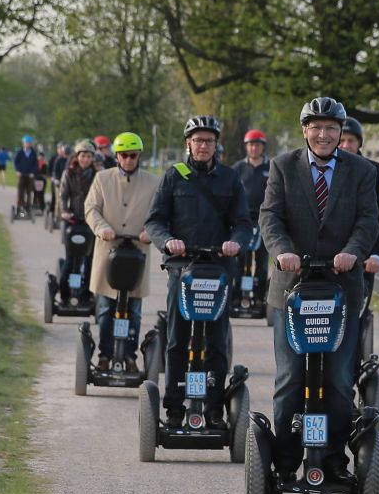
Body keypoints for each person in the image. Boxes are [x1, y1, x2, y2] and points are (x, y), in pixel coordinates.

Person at [258, 97, 379, 486]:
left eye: (331, 128)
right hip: (292, 288)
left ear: (341, 132)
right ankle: (286, 461)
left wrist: (353, 252)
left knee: (340, 382)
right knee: (291, 379)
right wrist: (282, 252)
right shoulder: (283, 166)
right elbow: (270, 216)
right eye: (316, 127)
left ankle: (332, 462)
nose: (324, 134)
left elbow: (368, 220)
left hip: (341, 289)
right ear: (304, 130)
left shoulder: (361, 170)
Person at [145, 115, 252, 429]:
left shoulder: (230, 179)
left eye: (209, 140)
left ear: (216, 145)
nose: (203, 145)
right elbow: (154, 221)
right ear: (188, 143)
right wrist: (168, 242)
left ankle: (215, 410)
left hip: (218, 269)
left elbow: (244, 223)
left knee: (217, 342)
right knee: (178, 339)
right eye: (197, 140)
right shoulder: (174, 176)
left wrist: (235, 243)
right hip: (182, 268)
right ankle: (175, 410)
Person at [85, 132, 159, 372]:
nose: (128, 160)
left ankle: (129, 358)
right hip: (108, 251)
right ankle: (105, 355)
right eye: (124, 155)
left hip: (138, 252)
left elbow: (160, 214)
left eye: (133, 155)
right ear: (117, 156)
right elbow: (91, 209)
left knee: (134, 311)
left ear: (139, 156)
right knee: (106, 308)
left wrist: (151, 231)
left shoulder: (152, 182)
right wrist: (102, 228)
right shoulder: (101, 179)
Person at [339, 116, 379, 305]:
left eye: (351, 141)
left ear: (359, 143)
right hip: (328, 259)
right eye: (341, 140)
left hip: (362, 258)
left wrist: (377, 254)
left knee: (357, 313)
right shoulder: (324, 170)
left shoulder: (374, 171)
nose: (345, 145)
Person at [232, 129, 271, 306]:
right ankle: (237, 295)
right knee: (240, 259)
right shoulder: (238, 168)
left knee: (261, 261)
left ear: (262, 147)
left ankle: (260, 297)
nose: (254, 148)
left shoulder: (270, 168)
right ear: (246, 147)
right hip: (243, 220)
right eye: (251, 145)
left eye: (257, 145)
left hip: (264, 220)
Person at [59, 139, 99, 301]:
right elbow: (63, 196)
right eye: (83, 156)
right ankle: (65, 294)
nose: (86, 160)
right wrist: (64, 211)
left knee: (89, 261)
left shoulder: (97, 175)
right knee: (70, 259)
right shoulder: (69, 173)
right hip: (72, 220)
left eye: (89, 156)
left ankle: (85, 295)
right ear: (77, 156)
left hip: (91, 221)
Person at [14, 136, 39, 216]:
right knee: (20, 191)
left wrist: (33, 172)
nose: (27, 144)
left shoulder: (33, 153)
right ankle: (20, 207)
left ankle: (28, 208)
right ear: (23, 143)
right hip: (21, 174)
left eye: (28, 143)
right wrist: (17, 171)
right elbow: (16, 162)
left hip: (30, 175)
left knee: (29, 192)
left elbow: (35, 164)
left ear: (30, 144)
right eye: (25, 143)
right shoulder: (20, 152)